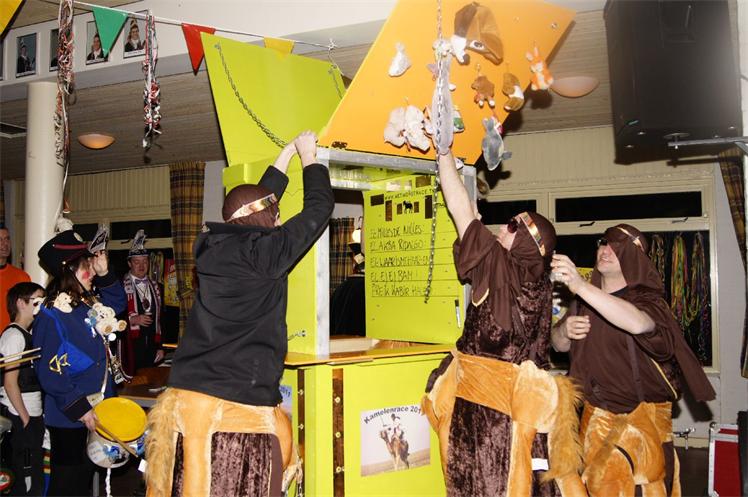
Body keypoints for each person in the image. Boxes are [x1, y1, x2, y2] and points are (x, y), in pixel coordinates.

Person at [145, 131, 333, 497]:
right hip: (234, 408)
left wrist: (285, 157)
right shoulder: (267, 253)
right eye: (275, 216)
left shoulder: (210, 248)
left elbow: (250, 208)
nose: (278, 221)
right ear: (265, 219)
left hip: (186, 398)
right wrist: (310, 159)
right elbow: (319, 209)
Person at [422, 152, 584, 497]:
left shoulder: (498, 264)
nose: (502, 228)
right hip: (523, 415)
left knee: (479, 485)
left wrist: (444, 153)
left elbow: (458, 208)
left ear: (527, 242)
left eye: (513, 226)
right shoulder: (542, 286)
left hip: (484, 414)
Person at [550, 224, 716, 497]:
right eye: (603, 243)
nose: (606, 250)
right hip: (593, 419)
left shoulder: (648, 301)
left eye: (617, 248)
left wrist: (580, 285)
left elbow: (638, 324)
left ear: (634, 258)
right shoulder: (582, 302)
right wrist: (564, 331)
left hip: (639, 423)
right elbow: (558, 344)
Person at [33, 228, 126, 497]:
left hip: (99, 408)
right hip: (70, 416)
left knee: (84, 479)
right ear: (69, 270)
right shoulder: (51, 313)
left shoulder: (87, 303)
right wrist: (80, 409)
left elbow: (118, 305)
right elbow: (49, 372)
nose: (92, 270)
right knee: (67, 484)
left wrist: (105, 274)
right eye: (87, 265)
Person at [0, 282, 45, 496]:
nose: (41, 305)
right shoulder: (14, 336)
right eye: (37, 300)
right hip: (18, 415)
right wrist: (25, 418)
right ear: (21, 303)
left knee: (34, 476)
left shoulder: (29, 334)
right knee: (23, 478)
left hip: (32, 412)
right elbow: (10, 382)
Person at [120, 231, 163, 377]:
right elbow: (112, 316)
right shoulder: (120, 286)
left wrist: (160, 347)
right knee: (131, 384)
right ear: (129, 263)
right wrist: (132, 319)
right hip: (129, 347)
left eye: (145, 261)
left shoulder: (157, 286)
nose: (141, 266)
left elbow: (161, 319)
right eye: (137, 262)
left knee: (150, 383)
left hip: (151, 347)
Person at [0, 227, 31, 330]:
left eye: (7, 239)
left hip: (12, 335)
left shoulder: (21, 276)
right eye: (0, 239)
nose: (5, 244)